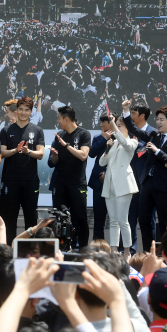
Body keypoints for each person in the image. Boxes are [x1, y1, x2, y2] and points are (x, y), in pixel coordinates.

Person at [122, 100, 167, 250]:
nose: (158, 122)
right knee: (143, 219)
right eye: (157, 119)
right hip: (147, 183)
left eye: (161, 119)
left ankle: (165, 252)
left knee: (163, 221)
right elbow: (134, 129)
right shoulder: (153, 134)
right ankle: (147, 251)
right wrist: (126, 111)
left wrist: (157, 151)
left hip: (163, 186)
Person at [0, 97, 45, 245]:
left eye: (27, 110)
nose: (23, 112)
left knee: (31, 218)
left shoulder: (37, 130)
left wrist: (27, 151)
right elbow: (2, 153)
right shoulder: (6, 130)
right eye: (21, 109)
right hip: (10, 181)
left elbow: (40, 154)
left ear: (31, 112)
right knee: (8, 218)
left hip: (30, 181)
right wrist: (15, 150)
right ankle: (8, 249)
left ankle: (30, 249)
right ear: (16, 110)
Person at [49, 105, 91, 249]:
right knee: (59, 218)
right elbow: (51, 163)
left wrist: (66, 145)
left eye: (59, 118)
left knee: (80, 218)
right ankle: (62, 249)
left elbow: (83, 155)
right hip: (60, 183)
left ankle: (84, 250)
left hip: (77, 183)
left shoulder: (84, 134)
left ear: (66, 119)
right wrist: (55, 155)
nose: (58, 121)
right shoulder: (59, 135)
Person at [99, 114, 139, 259]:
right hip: (110, 185)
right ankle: (114, 250)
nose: (117, 128)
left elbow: (126, 144)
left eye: (120, 125)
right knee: (113, 220)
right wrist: (107, 149)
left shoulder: (132, 142)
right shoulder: (114, 143)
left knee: (123, 220)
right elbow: (101, 163)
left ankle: (127, 252)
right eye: (117, 125)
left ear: (128, 127)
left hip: (124, 185)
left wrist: (114, 127)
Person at [122, 102, 156, 255]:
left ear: (142, 115)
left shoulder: (153, 133)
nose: (132, 116)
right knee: (130, 217)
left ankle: (150, 251)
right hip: (130, 181)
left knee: (148, 219)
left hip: (146, 183)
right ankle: (131, 250)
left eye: (133, 113)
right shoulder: (127, 133)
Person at [88, 113, 114, 241]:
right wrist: (104, 139)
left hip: (116, 183)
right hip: (99, 183)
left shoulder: (122, 139)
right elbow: (91, 154)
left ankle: (118, 248)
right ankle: (98, 245)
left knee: (117, 218)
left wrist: (109, 174)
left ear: (110, 123)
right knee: (99, 218)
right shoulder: (98, 137)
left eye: (103, 122)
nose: (100, 125)